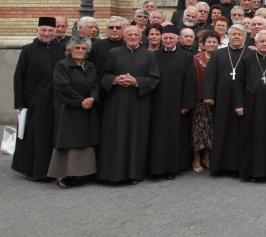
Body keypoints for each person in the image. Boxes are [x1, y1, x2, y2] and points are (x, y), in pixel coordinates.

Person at [97, 26, 160, 184]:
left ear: (141, 38)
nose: (132, 37)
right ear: (124, 38)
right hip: (116, 103)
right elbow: (103, 75)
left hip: (138, 103)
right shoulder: (114, 53)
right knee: (114, 137)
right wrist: (116, 79)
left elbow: (154, 78)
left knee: (135, 138)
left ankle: (133, 174)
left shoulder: (149, 56)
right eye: (129, 35)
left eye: (136, 35)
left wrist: (136, 81)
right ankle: (111, 174)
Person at [12, 17, 66, 182]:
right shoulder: (27, 50)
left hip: (56, 101)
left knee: (52, 135)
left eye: (50, 30)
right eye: (44, 30)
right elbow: (19, 77)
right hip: (34, 102)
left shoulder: (62, 49)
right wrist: (20, 104)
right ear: (37, 31)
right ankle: (34, 170)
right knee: (34, 136)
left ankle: (54, 170)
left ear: (55, 31)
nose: (47, 33)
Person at [234, 30, 266, 184]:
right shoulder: (246, 60)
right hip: (251, 106)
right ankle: (254, 172)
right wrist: (239, 105)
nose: (264, 44)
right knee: (252, 139)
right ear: (255, 43)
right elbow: (239, 85)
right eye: (261, 41)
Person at [48, 35, 99, 188]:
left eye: (84, 48)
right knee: (67, 143)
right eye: (77, 47)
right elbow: (62, 86)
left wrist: (92, 98)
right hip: (69, 110)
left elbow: (96, 84)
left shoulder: (90, 66)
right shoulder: (62, 65)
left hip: (87, 110)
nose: (80, 50)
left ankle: (74, 174)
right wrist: (80, 101)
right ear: (70, 49)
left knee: (82, 144)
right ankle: (61, 176)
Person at [147, 24, 196, 180]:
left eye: (171, 38)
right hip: (158, 103)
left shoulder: (186, 57)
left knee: (174, 136)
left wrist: (186, 104)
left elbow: (190, 82)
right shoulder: (154, 55)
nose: (168, 40)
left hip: (177, 104)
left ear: (178, 40)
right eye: (165, 38)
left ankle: (171, 168)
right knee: (157, 136)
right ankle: (155, 168)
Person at [202, 24, 248, 176]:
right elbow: (210, 76)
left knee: (239, 131)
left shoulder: (249, 54)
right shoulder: (219, 54)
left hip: (243, 99)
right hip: (222, 98)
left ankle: (236, 166)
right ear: (228, 37)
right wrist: (208, 95)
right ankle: (218, 165)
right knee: (221, 129)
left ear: (244, 38)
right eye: (233, 34)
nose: (236, 37)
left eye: (239, 35)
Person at [192, 31, 218, 173]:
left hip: (216, 101)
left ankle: (207, 157)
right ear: (203, 44)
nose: (211, 44)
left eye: (214, 42)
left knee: (210, 130)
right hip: (199, 100)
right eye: (209, 42)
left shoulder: (220, 58)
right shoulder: (195, 58)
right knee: (198, 131)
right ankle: (196, 158)